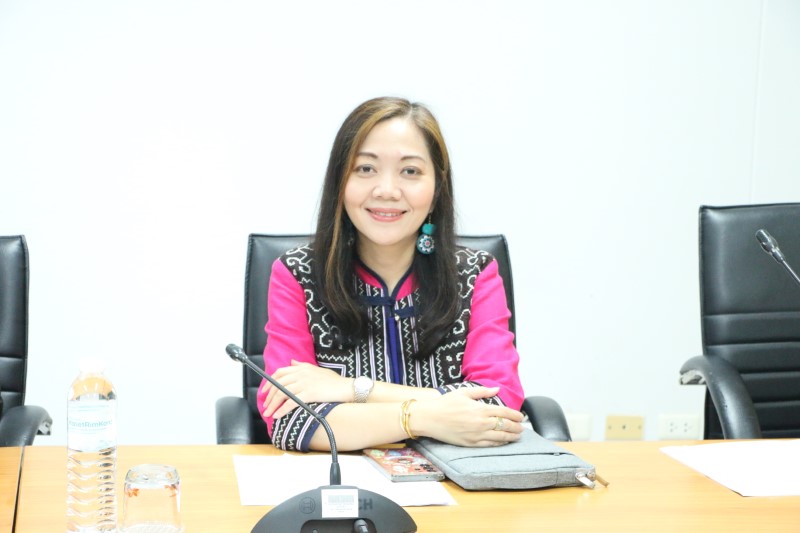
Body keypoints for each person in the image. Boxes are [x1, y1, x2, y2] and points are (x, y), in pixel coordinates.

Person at [257, 96, 525, 452]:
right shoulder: (298, 273)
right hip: (341, 479)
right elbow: (288, 418)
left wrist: (353, 389)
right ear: (340, 182)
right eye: (365, 168)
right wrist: (421, 417)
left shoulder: (474, 274)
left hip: (459, 480)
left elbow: (497, 406)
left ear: (437, 188)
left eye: (410, 171)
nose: (386, 190)